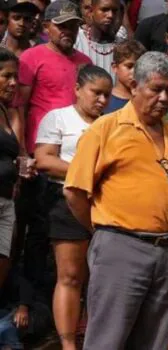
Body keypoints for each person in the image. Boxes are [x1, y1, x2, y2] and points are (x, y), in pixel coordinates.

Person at [64, 52, 168, 350]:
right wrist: (105, 232)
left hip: (166, 251)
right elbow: (74, 191)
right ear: (134, 87)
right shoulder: (107, 128)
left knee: (154, 343)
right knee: (107, 340)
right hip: (121, 246)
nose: (163, 97)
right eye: (155, 89)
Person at [34, 65, 112, 350]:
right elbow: (44, 159)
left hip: (105, 205)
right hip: (65, 201)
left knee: (99, 278)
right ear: (77, 89)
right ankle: (68, 345)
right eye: (96, 93)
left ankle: (94, 339)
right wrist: (83, 173)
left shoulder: (112, 122)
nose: (102, 101)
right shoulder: (58, 118)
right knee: (70, 276)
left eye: (106, 95)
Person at [16, 0, 91, 291]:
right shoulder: (33, 57)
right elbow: (19, 106)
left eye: (72, 25)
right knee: (37, 229)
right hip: (41, 152)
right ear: (47, 27)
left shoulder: (84, 61)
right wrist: (24, 151)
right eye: (61, 26)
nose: (67, 31)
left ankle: (63, 295)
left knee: (72, 231)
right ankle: (32, 297)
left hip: (75, 154)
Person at [0, 49, 19, 292]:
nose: (13, 83)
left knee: (3, 262)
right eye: (7, 76)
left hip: (6, 200)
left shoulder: (5, 111)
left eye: (16, 77)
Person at [74, 0, 122, 80]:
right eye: (104, 9)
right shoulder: (76, 40)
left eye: (115, 10)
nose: (110, 15)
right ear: (91, 11)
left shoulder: (123, 46)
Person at [104, 39, 146, 114]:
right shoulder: (104, 99)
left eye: (139, 67)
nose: (134, 72)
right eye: (129, 66)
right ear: (115, 67)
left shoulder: (145, 99)